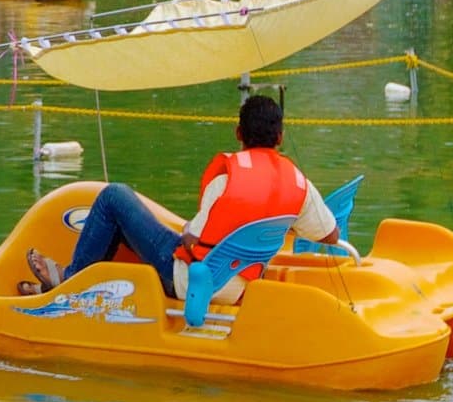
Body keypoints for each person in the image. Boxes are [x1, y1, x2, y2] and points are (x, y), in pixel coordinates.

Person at [22, 96, 339, 299]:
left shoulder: (229, 179)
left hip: (193, 284)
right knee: (128, 223)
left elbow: (192, 240)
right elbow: (330, 234)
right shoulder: (299, 184)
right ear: (281, 137)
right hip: (243, 288)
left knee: (113, 197)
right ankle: (84, 288)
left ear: (238, 133)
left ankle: (70, 279)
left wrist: (188, 229)